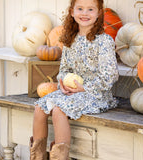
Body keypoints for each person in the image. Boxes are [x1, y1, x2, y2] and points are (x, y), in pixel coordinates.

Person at [30, 0, 119, 159]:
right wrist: (63, 83)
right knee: (39, 108)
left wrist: (84, 88)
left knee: (58, 110)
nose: (84, 13)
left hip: (96, 94)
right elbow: (64, 70)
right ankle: (37, 156)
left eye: (90, 9)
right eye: (80, 9)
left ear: (99, 13)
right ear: (72, 12)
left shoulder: (104, 41)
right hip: (71, 91)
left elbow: (110, 75)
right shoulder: (70, 40)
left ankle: (60, 157)